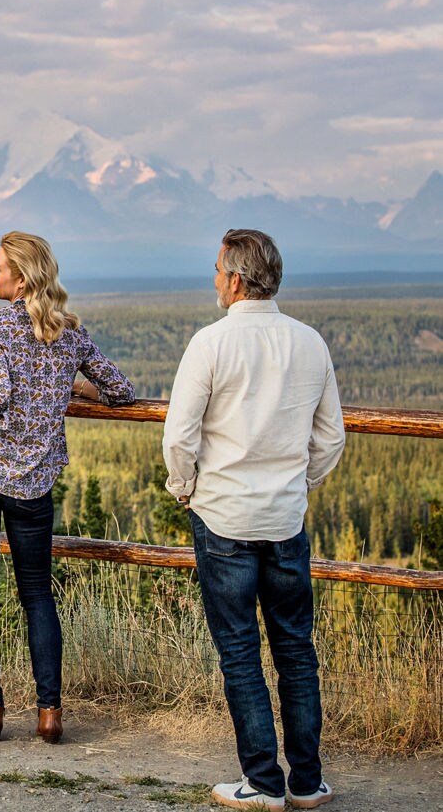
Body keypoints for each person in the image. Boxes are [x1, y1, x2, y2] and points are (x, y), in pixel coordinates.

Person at [163, 229, 346, 810]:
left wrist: (185, 489)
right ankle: (307, 781)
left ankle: (262, 783)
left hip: (223, 520)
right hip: (286, 521)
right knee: (296, 649)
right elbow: (330, 437)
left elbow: (179, 437)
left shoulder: (210, 344)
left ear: (237, 280)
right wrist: (300, 484)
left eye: (218, 270)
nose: (214, 279)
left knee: (239, 652)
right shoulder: (310, 343)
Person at [0, 231, 134, 744]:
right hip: (33, 485)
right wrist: (73, 382)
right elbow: (120, 391)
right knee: (36, 597)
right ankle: (49, 714)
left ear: (21, 278)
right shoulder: (70, 337)